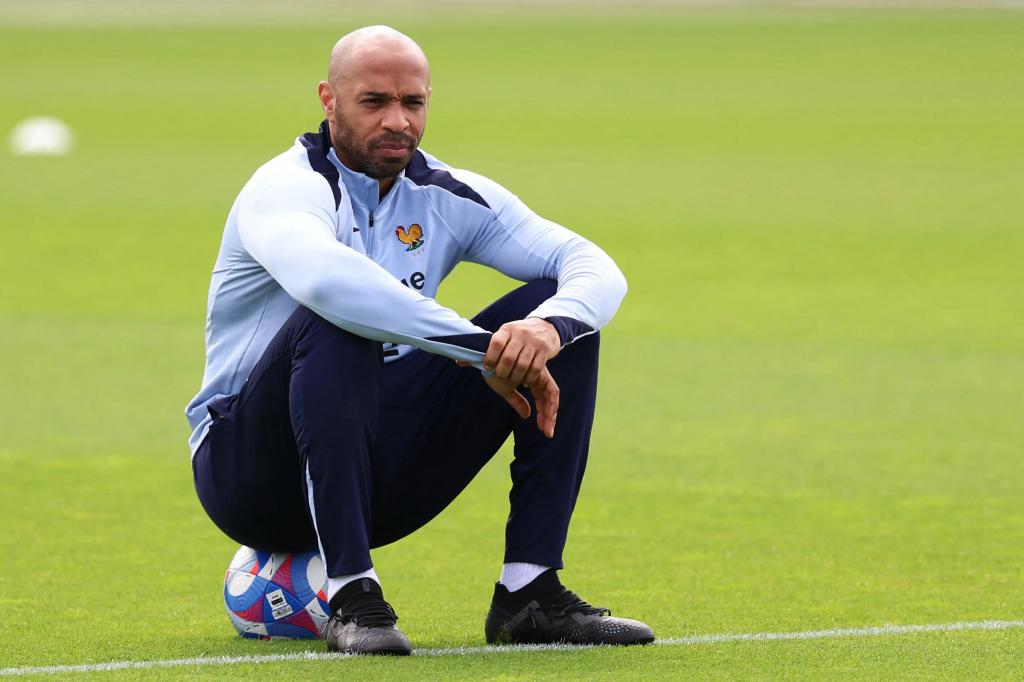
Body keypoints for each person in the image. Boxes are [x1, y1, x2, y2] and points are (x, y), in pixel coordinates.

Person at [185, 25, 654, 655]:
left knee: (559, 329)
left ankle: (530, 594)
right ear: (328, 100)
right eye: (373, 102)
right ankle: (353, 595)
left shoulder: (444, 193)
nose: (397, 121)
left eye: (413, 103)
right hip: (248, 474)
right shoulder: (284, 189)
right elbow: (329, 283)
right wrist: (479, 348)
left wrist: (545, 329)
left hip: (379, 469)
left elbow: (592, 264)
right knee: (340, 320)